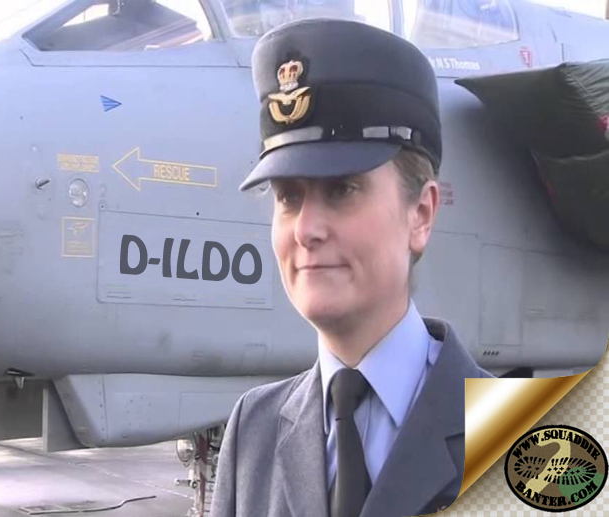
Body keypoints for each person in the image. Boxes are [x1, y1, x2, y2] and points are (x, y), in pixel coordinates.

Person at [209, 17, 493, 517]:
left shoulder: (521, 438)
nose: (306, 229)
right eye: (288, 197)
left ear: (421, 214)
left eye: (341, 189)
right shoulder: (253, 432)